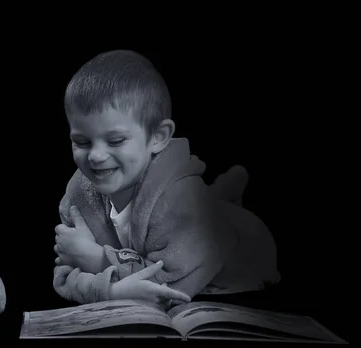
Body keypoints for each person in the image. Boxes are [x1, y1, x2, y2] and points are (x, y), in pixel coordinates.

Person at [52, 49, 280, 309]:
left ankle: (223, 199)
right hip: (174, 234)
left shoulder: (181, 200)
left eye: (115, 141)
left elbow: (170, 288)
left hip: (242, 254)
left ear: (158, 137)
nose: (95, 156)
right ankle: (222, 192)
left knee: (210, 218)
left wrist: (99, 263)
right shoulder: (78, 194)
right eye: (81, 142)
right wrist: (113, 290)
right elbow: (64, 275)